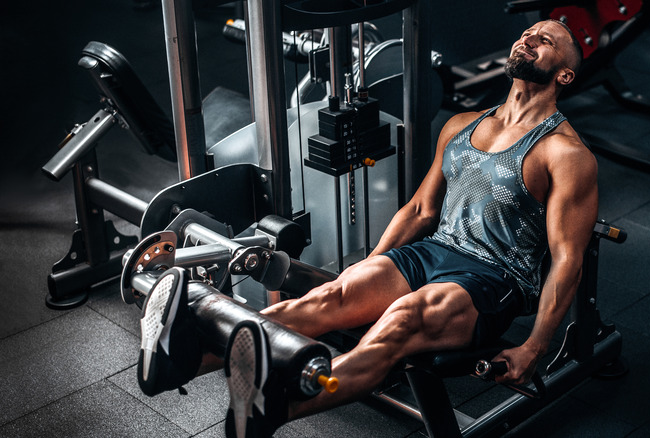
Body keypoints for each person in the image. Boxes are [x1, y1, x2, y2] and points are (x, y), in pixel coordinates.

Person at [136, 19, 595, 438]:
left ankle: (275, 407)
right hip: (433, 251)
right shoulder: (462, 125)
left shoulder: (564, 153)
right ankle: (183, 361)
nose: (529, 38)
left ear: (565, 75)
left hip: (494, 277)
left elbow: (568, 257)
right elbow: (419, 210)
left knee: (402, 320)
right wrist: (368, 270)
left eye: (546, 39)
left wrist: (536, 345)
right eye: (528, 33)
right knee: (329, 297)